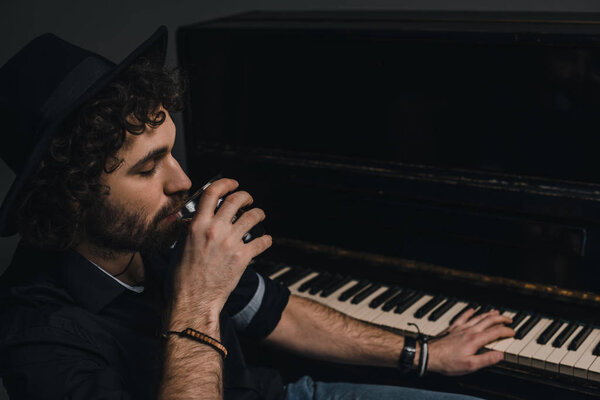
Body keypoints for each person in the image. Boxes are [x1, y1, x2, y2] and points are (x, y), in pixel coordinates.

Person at [0, 26, 514, 400]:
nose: (182, 182)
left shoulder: (160, 232)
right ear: (71, 192)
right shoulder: (36, 335)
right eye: (147, 168)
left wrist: (424, 354)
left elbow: (277, 313)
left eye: (171, 151)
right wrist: (198, 299)